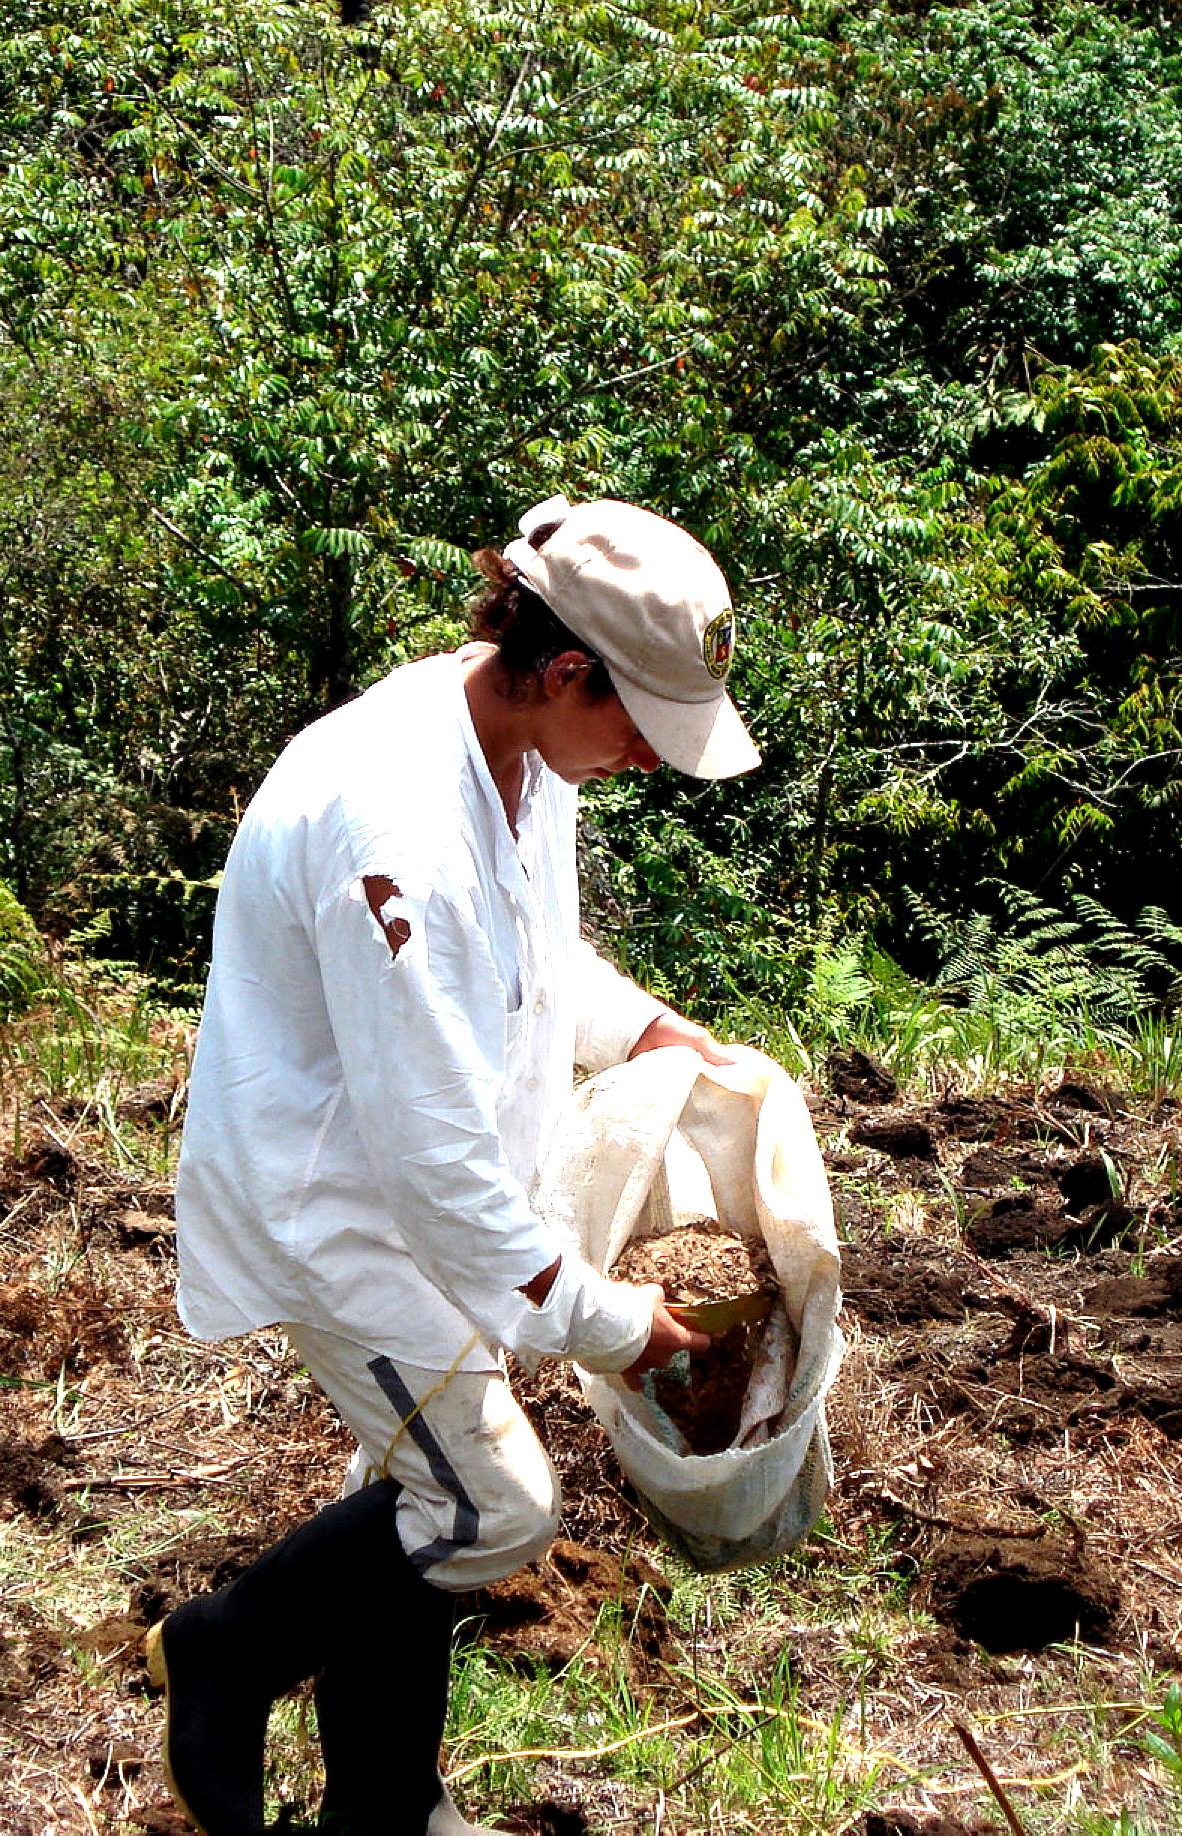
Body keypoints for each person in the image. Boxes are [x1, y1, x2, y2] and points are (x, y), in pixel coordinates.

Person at [150, 495, 762, 1836]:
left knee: (429, 1492)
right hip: (348, 1221)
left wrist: (644, 1026)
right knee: (492, 1505)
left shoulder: (522, 752)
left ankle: (382, 1813)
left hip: (433, 1205)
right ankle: (231, 1645)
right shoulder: (397, 824)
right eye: (643, 728)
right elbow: (434, 1170)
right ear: (565, 670)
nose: (652, 764)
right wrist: (612, 1326)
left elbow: (535, 965)